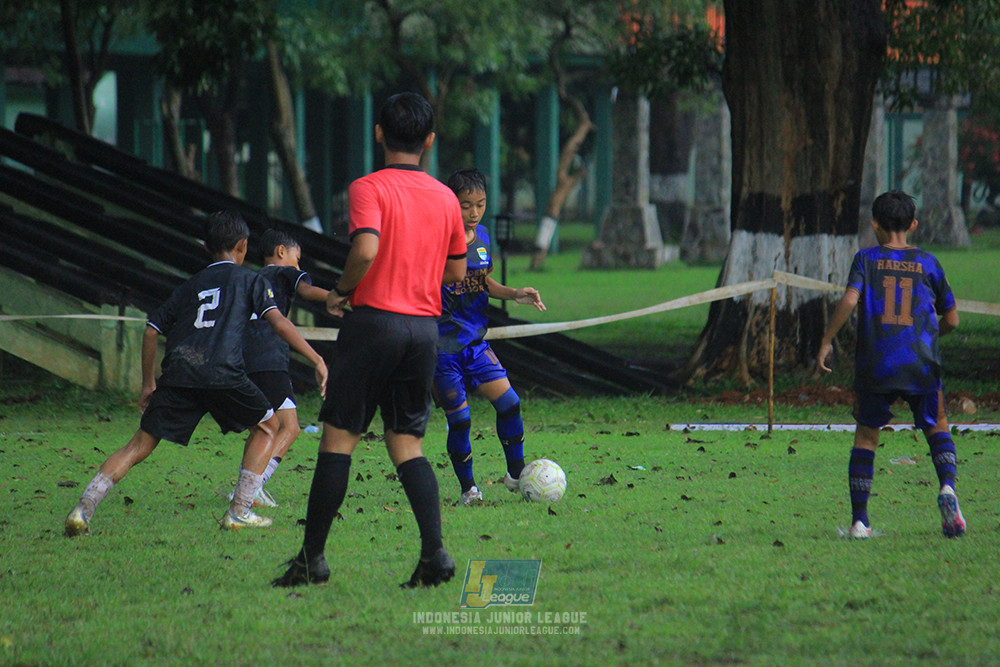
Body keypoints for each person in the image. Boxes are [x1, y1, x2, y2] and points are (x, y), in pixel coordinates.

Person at [272, 92, 467, 588]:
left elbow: (365, 248)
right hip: (423, 332)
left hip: (373, 323)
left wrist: (341, 290)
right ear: (429, 140)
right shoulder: (447, 197)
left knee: (340, 439)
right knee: (407, 442)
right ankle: (435, 556)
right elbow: (457, 271)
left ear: (378, 132)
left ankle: (312, 560)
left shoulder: (368, 188)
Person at [64, 211, 328, 536]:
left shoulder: (191, 285)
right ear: (243, 246)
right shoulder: (251, 280)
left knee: (138, 445)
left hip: (180, 371)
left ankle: (82, 510)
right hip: (223, 371)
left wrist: (148, 384)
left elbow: (151, 330)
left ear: (207, 248)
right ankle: (238, 512)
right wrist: (316, 358)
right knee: (268, 427)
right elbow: (279, 322)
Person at [816, 190, 964, 540]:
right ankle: (946, 488)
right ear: (913, 225)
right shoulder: (929, 263)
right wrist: (929, 336)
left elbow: (850, 300)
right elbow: (953, 320)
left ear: (874, 224)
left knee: (866, 437)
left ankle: (860, 522)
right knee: (937, 426)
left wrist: (826, 341)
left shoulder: (865, 259)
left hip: (876, 364)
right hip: (921, 365)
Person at [434, 168, 546, 505]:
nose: (473, 213)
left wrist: (514, 294)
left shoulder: (482, 236)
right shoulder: (435, 239)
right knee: (461, 421)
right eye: (466, 205)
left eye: (480, 204)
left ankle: (517, 475)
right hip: (442, 350)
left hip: (475, 345)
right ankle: (469, 489)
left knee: (510, 403)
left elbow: (484, 281)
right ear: (451, 203)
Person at [236, 228, 330, 508]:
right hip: (269, 358)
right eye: (296, 258)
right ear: (281, 252)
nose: (298, 265)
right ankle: (252, 487)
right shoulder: (282, 273)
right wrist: (339, 297)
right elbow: (307, 290)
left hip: (244, 358)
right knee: (290, 428)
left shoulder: (250, 277)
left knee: (262, 428)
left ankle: (249, 486)